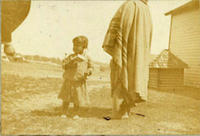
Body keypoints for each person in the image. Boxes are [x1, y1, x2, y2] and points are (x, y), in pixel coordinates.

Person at [102, 0, 153, 119]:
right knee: (132, 80)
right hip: (138, 55)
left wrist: (113, 46)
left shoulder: (130, 5)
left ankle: (117, 113)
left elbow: (117, 27)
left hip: (125, 52)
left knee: (120, 77)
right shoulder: (146, 9)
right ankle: (125, 112)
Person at [58, 36, 93, 119]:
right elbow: (64, 65)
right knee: (66, 97)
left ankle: (75, 113)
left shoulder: (87, 57)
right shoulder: (70, 57)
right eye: (74, 45)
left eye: (78, 46)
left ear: (84, 47)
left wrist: (89, 71)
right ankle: (64, 112)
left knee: (77, 99)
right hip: (69, 80)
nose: (75, 47)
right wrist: (71, 63)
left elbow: (91, 67)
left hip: (79, 81)